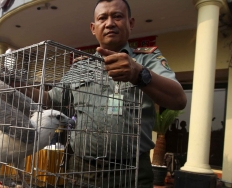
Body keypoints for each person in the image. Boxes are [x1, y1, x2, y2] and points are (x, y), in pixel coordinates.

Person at [10, 0, 186, 187]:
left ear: (131, 23)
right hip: (80, 170)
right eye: (103, 18)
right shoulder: (80, 66)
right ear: (93, 28)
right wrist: (17, 85)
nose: (110, 23)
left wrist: (138, 73)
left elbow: (178, 100)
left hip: (130, 173)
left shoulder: (147, 59)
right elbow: (51, 100)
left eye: (117, 16)